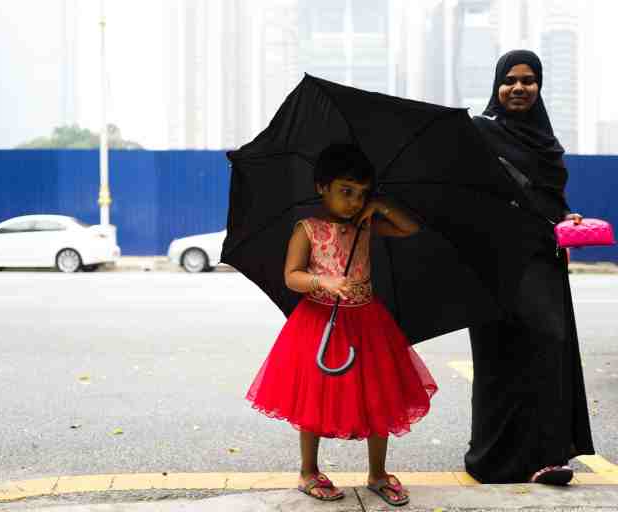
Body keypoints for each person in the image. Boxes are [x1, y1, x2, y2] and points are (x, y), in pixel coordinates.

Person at [246, 144, 437, 505]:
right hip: (320, 320)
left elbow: (411, 228)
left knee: (377, 393)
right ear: (322, 187)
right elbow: (292, 276)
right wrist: (325, 282)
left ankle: (378, 473)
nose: (353, 202)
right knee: (313, 395)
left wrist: (380, 206)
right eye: (345, 191)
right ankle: (308, 471)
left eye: (361, 193)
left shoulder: (367, 225)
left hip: (367, 320)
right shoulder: (308, 229)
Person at [465, 49, 595, 485]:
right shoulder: (478, 132)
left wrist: (567, 218)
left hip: (542, 260)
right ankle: (493, 458)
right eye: (509, 80)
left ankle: (546, 456)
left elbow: (549, 203)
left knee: (547, 350)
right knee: (501, 359)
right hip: (494, 262)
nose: (518, 88)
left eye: (528, 80)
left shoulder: (546, 142)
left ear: (539, 88)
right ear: (497, 85)